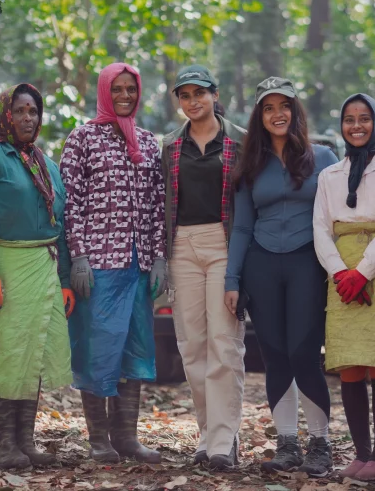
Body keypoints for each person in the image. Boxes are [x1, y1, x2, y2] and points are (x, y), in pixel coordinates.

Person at [223, 77, 338, 478]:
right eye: (269, 108)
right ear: (260, 116)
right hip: (263, 265)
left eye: (284, 105)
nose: (278, 114)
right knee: (274, 355)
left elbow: (336, 216)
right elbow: (241, 227)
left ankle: (320, 444)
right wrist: (232, 280)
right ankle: (287, 444)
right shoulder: (250, 165)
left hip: (308, 262)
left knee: (304, 352)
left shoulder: (323, 157)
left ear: (295, 110)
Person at [0, 84, 75, 469]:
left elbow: (59, 227)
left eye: (33, 111)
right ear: (5, 115)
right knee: (5, 353)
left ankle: (25, 441)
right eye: (20, 111)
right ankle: (3, 445)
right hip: (3, 268)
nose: (28, 118)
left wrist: (63, 279)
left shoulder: (46, 164)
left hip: (43, 269)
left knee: (33, 352)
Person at [61, 62, 167, 464]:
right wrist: (79, 256)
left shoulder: (148, 141)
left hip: (139, 267)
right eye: (117, 89)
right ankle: (98, 440)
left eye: (131, 89)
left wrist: (159, 257)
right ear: (105, 91)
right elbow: (70, 201)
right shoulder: (83, 138)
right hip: (100, 264)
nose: (125, 95)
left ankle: (127, 438)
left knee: (134, 349)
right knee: (99, 349)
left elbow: (158, 205)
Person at [313, 94, 375, 482]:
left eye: (364, 118)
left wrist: (363, 272)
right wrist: (340, 273)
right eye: (349, 119)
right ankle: (361, 454)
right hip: (340, 272)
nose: (356, 126)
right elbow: (320, 229)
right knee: (349, 363)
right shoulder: (329, 175)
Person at [160, 65, 247, 471]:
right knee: (192, 345)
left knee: (223, 343)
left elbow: (248, 205)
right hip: (182, 246)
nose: (193, 101)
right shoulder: (169, 146)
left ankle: (224, 441)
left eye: (200, 93)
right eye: (185, 95)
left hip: (223, 243)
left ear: (215, 94)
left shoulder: (240, 141)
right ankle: (208, 432)